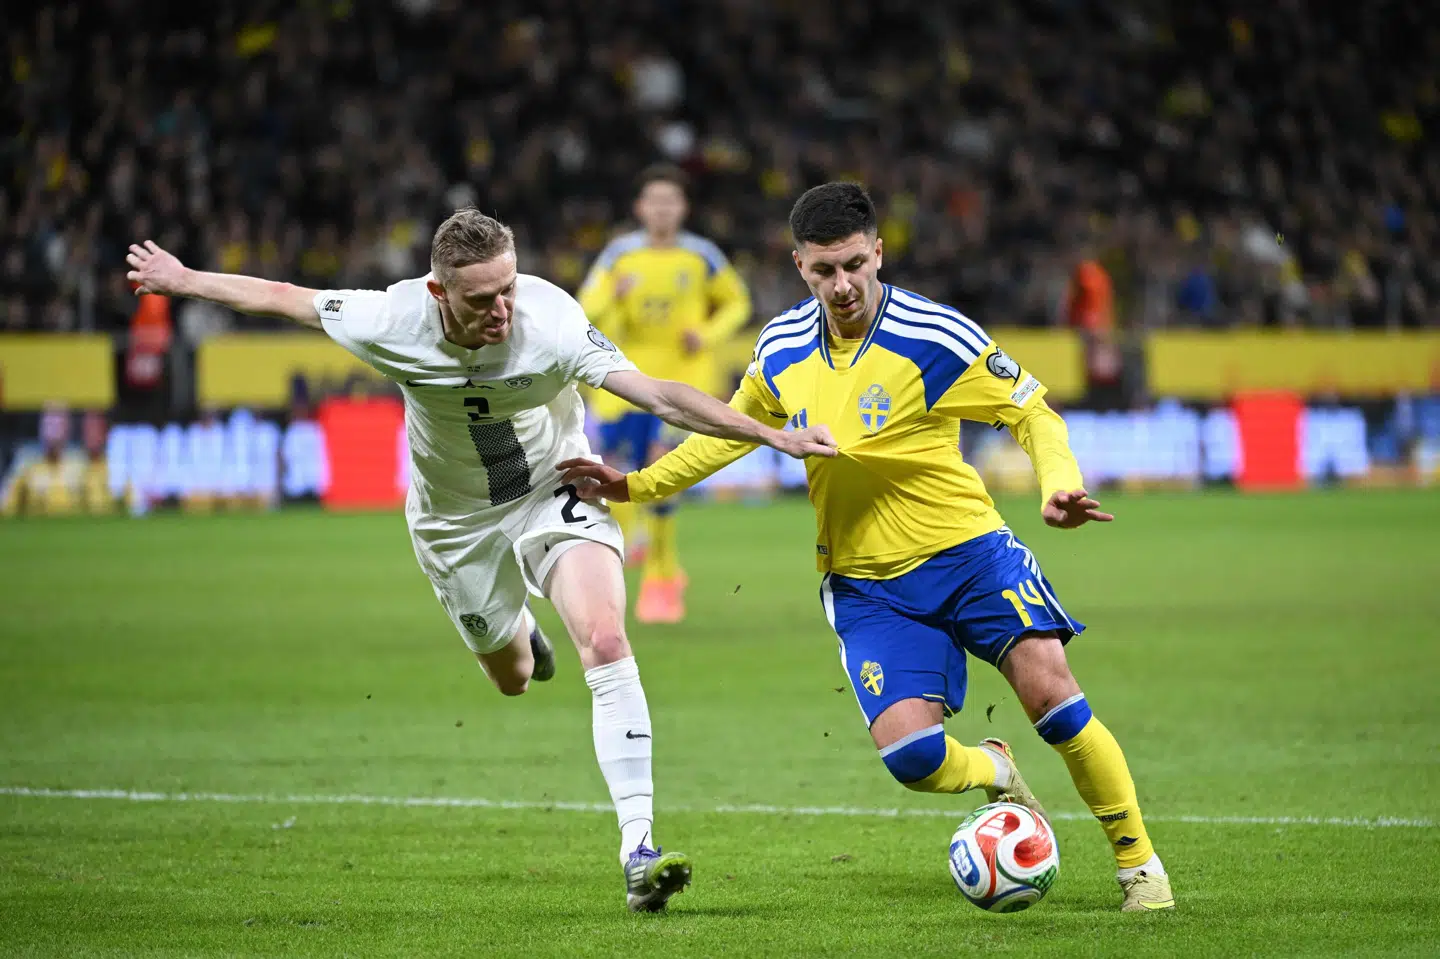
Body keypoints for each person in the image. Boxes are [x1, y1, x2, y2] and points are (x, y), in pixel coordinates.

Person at [125, 209, 836, 912]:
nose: (502, 308)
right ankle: (521, 631)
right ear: (440, 293)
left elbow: (657, 395)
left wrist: (769, 435)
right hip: (454, 524)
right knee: (514, 677)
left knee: (607, 638)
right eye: (481, 298)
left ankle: (638, 848)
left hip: (555, 485)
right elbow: (286, 297)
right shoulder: (392, 319)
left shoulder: (550, 320)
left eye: (509, 287)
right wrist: (182, 279)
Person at [559, 183, 1175, 912]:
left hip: (969, 553)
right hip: (864, 582)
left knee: (1054, 699)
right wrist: (636, 487)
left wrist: (1059, 483)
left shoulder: (935, 335)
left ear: (878, 251)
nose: (842, 284)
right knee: (912, 759)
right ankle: (993, 766)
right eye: (824, 271)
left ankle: (1138, 864)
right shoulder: (782, 347)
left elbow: (1031, 411)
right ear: (798, 267)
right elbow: (727, 430)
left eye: (854, 263)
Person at [578, 165, 752, 623]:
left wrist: (707, 332)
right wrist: (612, 293)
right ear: (639, 208)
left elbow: (738, 303)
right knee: (616, 470)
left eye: (669, 201)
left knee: (660, 467)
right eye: (653, 201)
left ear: (682, 208)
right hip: (624, 380)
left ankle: (660, 577)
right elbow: (585, 308)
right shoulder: (619, 256)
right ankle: (645, 557)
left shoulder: (702, 255)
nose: (661, 209)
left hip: (681, 380)